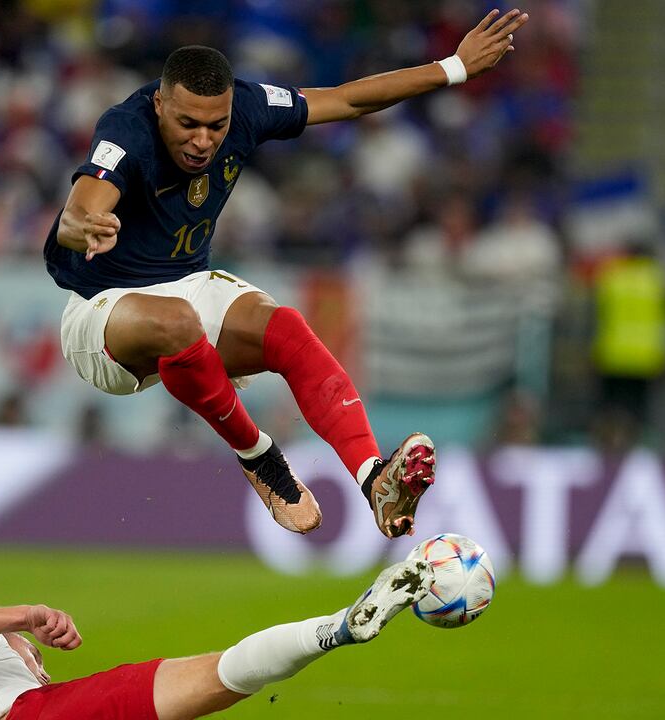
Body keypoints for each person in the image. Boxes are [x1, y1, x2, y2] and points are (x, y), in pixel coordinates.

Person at [44, 9, 530, 538]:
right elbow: (78, 209)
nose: (204, 140)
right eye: (188, 124)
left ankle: (375, 483)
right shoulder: (126, 128)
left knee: (288, 330)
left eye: (217, 125)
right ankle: (259, 456)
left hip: (186, 282)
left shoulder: (250, 106)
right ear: (160, 105)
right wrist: (85, 224)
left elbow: (345, 99)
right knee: (179, 322)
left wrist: (454, 67)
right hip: (102, 309)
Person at [0, 558, 434, 720]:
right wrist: (21, 616)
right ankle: (337, 628)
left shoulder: (21, 677)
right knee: (212, 674)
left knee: (214, 676)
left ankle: (338, 628)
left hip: (44, 710)